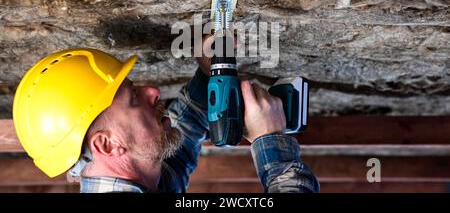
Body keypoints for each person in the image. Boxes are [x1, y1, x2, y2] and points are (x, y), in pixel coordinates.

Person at [13, 37, 319, 193]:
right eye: (134, 99)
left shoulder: (140, 172)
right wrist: (270, 141)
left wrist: (208, 73)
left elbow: (176, 151)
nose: (153, 91)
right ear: (106, 145)